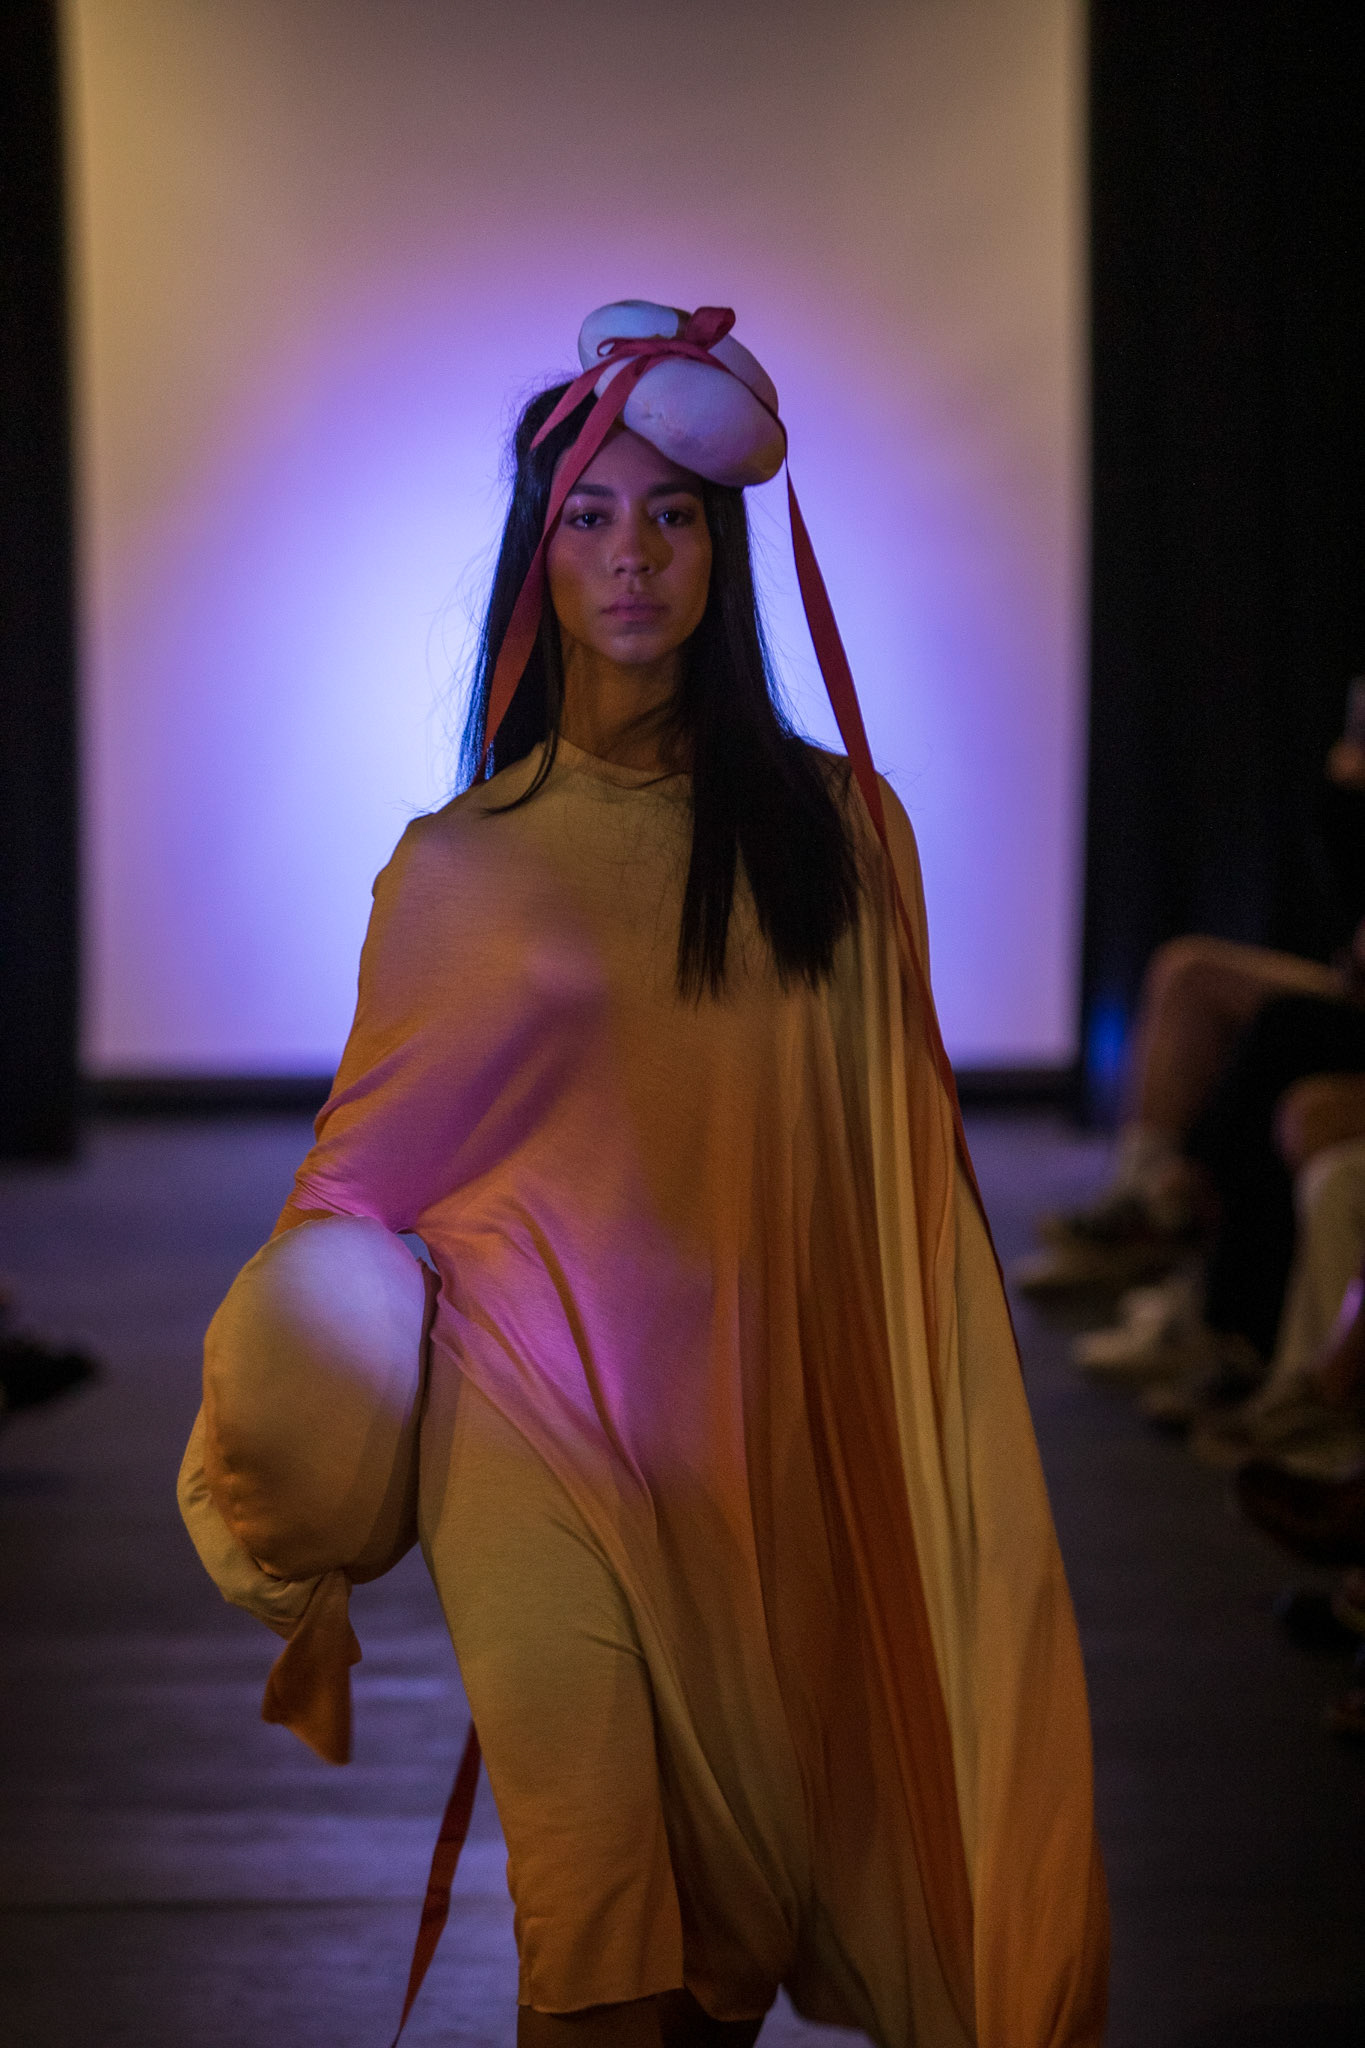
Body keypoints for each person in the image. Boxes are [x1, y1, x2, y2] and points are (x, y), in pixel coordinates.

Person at [179, 304, 1107, 2048]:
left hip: (754, 1440)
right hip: (524, 1436)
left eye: (671, 514)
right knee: (597, 1925)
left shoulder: (847, 836)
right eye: (590, 516)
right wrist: (293, 1447)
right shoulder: (460, 865)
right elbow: (354, 1190)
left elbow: (885, 1174)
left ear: (721, 548)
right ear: (538, 553)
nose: (631, 554)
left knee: (722, 1946)